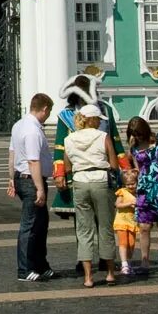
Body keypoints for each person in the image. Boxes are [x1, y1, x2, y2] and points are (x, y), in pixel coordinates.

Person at [52, 74, 120, 219]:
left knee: (105, 219)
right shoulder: (66, 114)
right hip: (78, 175)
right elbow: (60, 148)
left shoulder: (105, 110)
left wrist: (125, 169)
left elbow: (116, 143)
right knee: (82, 221)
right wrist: (59, 174)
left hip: (104, 173)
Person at [65, 104, 118, 288]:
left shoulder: (69, 138)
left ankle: (88, 277)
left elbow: (67, 166)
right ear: (93, 120)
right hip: (101, 180)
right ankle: (110, 273)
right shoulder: (103, 136)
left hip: (80, 181)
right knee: (105, 227)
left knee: (84, 229)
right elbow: (113, 163)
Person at [8, 92, 55, 282]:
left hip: (22, 178)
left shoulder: (18, 125)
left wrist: (11, 178)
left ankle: (40, 265)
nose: (49, 115)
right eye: (49, 111)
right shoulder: (33, 131)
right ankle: (25, 268)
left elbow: (12, 154)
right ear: (44, 109)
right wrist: (40, 188)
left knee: (40, 224)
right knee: (30, 225)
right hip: (31, 181)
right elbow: (33, 161)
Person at [126, 116, 158, 274]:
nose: (137, 137)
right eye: (134, 134)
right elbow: (138, 169)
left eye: (139, 134)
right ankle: (144, 261)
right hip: (145, 189)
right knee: (144, 227)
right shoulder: (134, 147)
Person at [112, 184, 140, 279]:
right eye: (128, 184)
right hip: (122, 221)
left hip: (132, 222)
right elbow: (117, 205)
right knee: (123, 243)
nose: (131, 186)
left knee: (131, 244)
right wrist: (129, 203)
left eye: (133, 184)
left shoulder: (138, 192)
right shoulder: (122, 192)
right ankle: (124, 264)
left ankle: (128, 262)